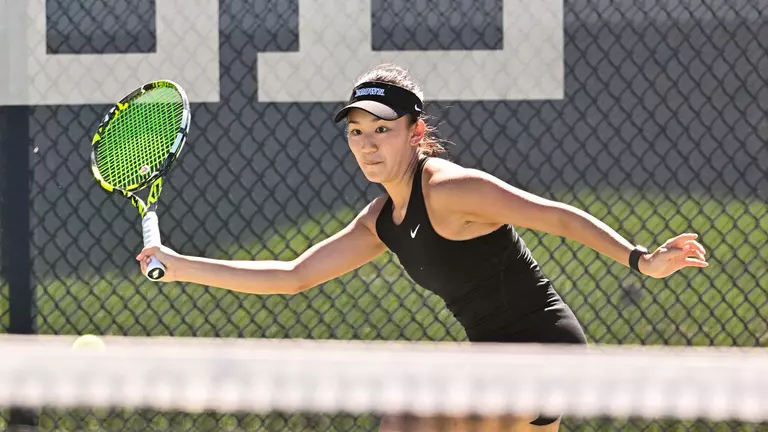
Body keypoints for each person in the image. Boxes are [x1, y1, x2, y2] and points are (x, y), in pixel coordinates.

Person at [137, 63, 708, 431]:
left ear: (415, 131)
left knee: (406, 420)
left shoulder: (452, 188)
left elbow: (552, 216)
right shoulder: (381, 221)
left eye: (382, 129)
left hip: (544, 353)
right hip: (496, 366)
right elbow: (293, 275)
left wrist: (641, 259)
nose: (366, 144)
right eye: (356, 131)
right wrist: (182, 266)